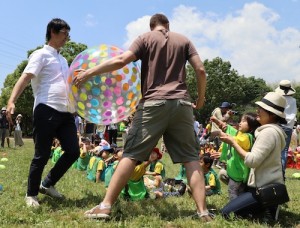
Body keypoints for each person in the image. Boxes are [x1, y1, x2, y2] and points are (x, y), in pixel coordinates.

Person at [75, 13, 211, 221]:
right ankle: (203, 212)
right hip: (182, 104)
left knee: (131, 154)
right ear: (167, 25)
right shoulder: (184, 40)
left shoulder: (145, 39)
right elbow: (200, 70)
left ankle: (105, 206)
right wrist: (201, 100)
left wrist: (88, 73)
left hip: (153, 104)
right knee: (191, 158)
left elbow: (121, 60)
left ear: (151, 26)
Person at [6, 18, 80, 207]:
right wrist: (12, 100)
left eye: (68, 34)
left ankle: (47, 184)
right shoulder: (40, 55)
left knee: (73, 151)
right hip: (46, 108)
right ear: (53, 33)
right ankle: (31, 194)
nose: (67, 38)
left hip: (66, 112)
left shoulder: (63, 59)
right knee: (43, 154)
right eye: (64, 33)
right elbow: (25, 78)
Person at [218, 92, 287, 222]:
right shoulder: (273, 131)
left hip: (262, 188)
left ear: (272, 114)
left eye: (261, 109)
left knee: (227, 213)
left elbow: (252, 161)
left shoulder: (268, 133)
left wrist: (233, 143)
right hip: (259, 186)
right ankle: (266, 205)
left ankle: (270, 204)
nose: (257, 111)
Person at [211, 112, 260, 200]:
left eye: (244, 121)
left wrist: (219, 133)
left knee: (232, 191)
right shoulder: (241, 135)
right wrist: (219, 122)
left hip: (238, 172)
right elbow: (230, 131)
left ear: (251, 126)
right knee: (239, 191)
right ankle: (242, 205)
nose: (240, 123)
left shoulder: (247, 137)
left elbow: (232, 138)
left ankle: (234, 207)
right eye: (241, 120)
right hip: (238, 171)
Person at [275, 80, 297, 179]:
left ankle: (274, 173)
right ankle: (282, 174)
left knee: (275, 150)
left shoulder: (278, 98)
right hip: (288, 127)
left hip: (278, 125)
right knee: (284, 151)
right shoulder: (293, 100)